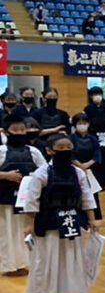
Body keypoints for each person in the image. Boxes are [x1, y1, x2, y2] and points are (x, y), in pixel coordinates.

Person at [23, 133, 101, 293]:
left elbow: (87, 197)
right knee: (50, 254)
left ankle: (71, 291)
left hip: (72, 217)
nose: (65, 151)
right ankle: (50, 292)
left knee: (72, 254)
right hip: (49, 218)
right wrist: (29, 224)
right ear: (49, 150)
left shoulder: (78, 172)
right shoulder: (42, 173)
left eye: (68, 148)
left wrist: (92, 219)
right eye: (60, 148)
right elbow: (31, 201)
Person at [0, 115, 47, 276]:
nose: (20, 133)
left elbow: (45, 171)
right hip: (5, 198)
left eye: (22, 130)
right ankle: (8, 265)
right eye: (15, 130)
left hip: (27, 199)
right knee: (7, 233)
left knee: (25, 231)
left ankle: (26, 263)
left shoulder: (33, 151)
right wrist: (6, 175)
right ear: (6, 132)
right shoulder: (1, 151)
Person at [69, 112, 103, 219]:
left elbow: (97, 153)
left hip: (90, 169)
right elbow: (70, 154)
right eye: (79, 123)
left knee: (92, 192)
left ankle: (93, 215)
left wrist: (88, 165)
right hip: (75, 168)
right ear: (75, 125)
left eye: (84, 122)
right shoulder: (71, 138)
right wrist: (79, 165)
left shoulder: (93, 139)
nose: (82, 125)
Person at [82, 86, 105, 189]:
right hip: (93, 136)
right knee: (95, 158)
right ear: (90, 96)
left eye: (99, 94)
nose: (97, 96)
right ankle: (95, 182)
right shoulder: (88, 109)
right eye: (95, 94)